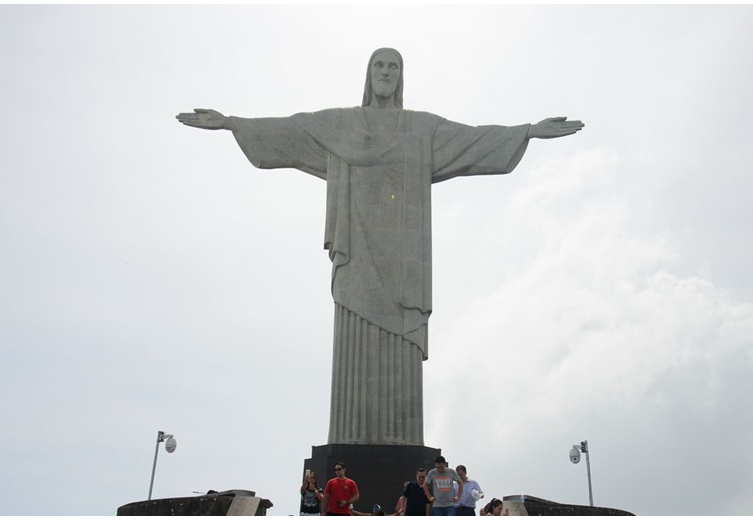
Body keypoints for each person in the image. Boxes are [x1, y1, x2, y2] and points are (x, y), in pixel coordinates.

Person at [176, 49, 583, 446]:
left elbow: (472, 140)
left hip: (403, 258)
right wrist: (231, 123)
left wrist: (526, 131)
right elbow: (291, 130)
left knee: (400, 333)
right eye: (379, 65)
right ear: (368, 74)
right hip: (355, 249)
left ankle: (399, 440)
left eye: (393, 66)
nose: (386, 72)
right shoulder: (341, 125)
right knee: (353, 327)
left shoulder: (422, 129)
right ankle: (350, 436)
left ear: (401, 77)